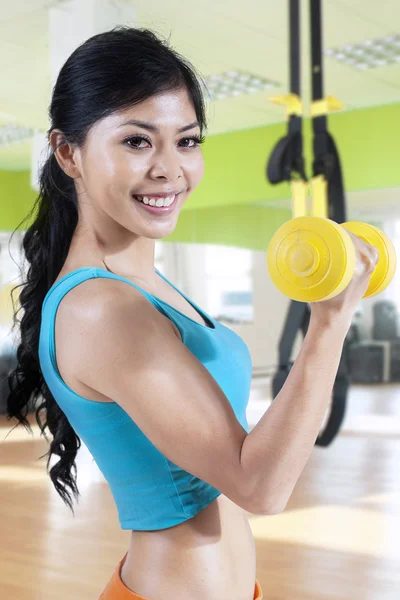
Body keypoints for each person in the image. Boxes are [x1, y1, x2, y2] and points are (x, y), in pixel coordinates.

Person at [6, 26, 378, 600]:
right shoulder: (101, 308)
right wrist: (329, 321)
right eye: (136, 141)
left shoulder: (144, 286)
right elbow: (260, 487)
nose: (169, 168)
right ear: (67, 152)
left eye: (187, 141)